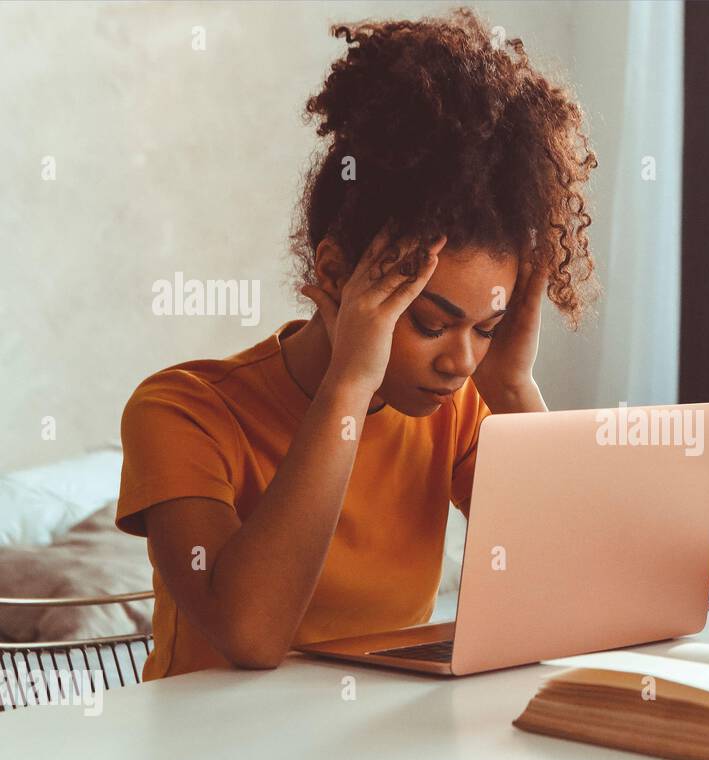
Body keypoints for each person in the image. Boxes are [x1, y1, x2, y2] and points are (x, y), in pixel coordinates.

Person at [115, 10, 597, 678]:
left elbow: (584, 590)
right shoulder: (182, 411)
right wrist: (349, 384)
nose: (460, 362)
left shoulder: (453, 412)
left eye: (486, 329)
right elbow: (250, 637)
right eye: (429, 322)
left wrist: (513, 387)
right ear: (337, 273)